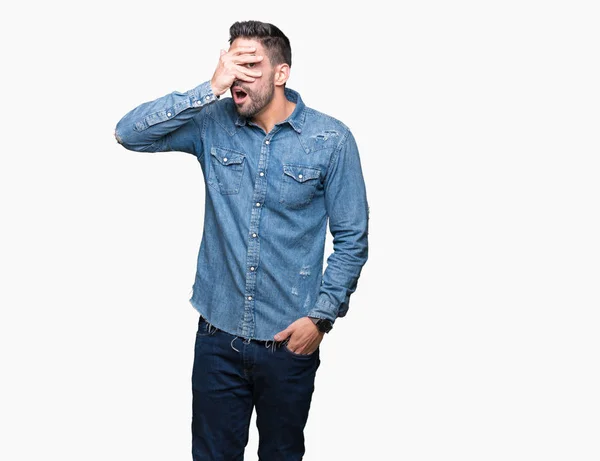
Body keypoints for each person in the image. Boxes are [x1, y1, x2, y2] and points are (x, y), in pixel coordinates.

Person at [114, 20, 369, 461]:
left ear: (281, 73)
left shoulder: (331, 139)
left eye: (251, 64)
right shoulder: (212, 124)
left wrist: (321, 319)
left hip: (289, 341)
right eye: (232, 62)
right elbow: (129, 134)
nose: (238, 75)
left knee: (282, 455)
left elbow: (352, 238)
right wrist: (208, 87)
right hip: (217, 337)